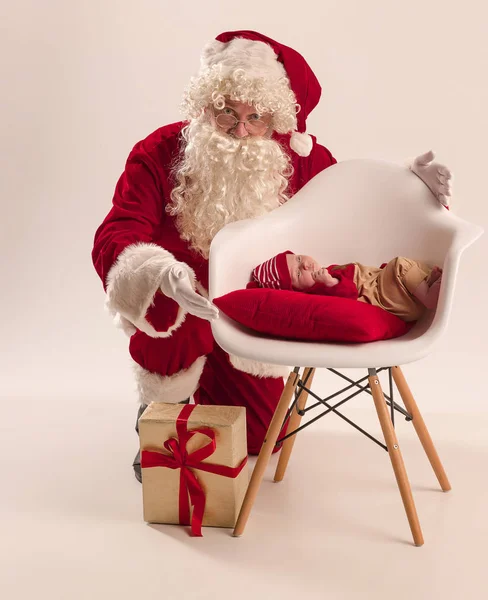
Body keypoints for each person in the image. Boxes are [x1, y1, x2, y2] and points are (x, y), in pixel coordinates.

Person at [91, 30, 453, 481]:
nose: (240, 130)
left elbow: (355, 205)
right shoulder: (159, 151)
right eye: (226, 111)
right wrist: (160, 273)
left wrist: (414, 190)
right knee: (171, 316)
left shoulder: (301, 158)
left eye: (255, 117)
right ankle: (162, 410)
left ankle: (213, 392)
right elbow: (119, 230)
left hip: (254, 308)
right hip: (182, 304)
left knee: (259, 440)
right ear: (206, 104)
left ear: (276, 117)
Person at [250, 250, 442, 322]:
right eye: (299, 273)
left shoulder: (327, 271)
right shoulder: (318, 290)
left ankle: (425, 284)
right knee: (400, 264)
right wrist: (330, 283)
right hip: (385, 299)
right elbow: (347, 297)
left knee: (415, 267)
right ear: (297, 290)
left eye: (299, 258)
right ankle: (427, 294)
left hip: (393, 291)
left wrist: (382, 273)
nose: (306, 265)